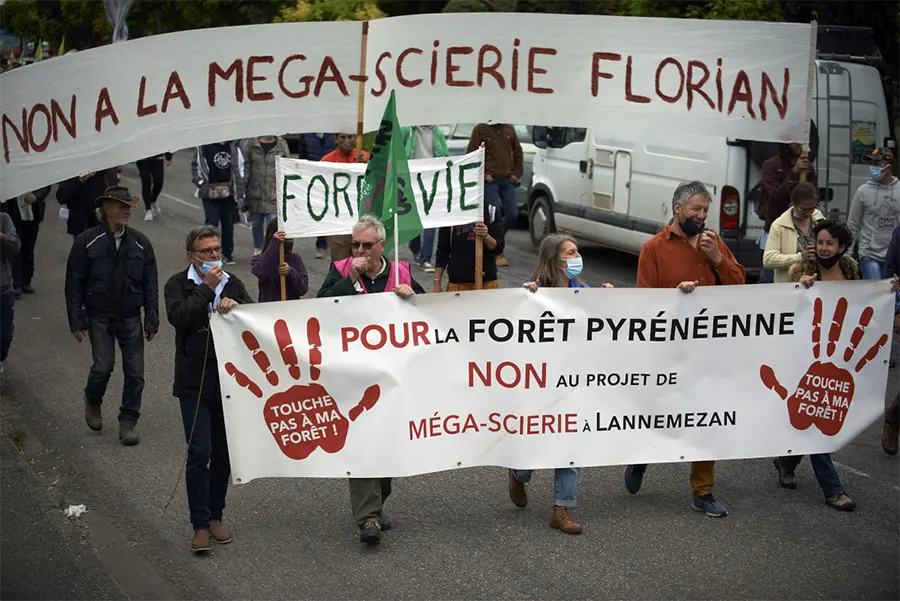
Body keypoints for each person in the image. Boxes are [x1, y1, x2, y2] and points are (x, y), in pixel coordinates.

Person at [624, 181, 745, 517]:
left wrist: (718, 259)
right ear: (678, 209)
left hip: (707, 347)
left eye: (705, 210)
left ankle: (703, 491)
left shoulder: (713, 243)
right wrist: (675, 298)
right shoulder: (654, 248)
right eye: (696, 210)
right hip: (668, 347)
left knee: (703, 415)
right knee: (658, 411)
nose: (702, 216)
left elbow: (739, 288)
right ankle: (640, 457)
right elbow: (644, 302)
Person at [318, 215, 424, 545]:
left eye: (366, 245)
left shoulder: (401, 272)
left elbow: (432, 314)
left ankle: (377, 503)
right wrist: (349, 281)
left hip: (393, 376)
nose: (360, 250)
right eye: (355, 245)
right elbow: (319, 307)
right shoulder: (340, 269)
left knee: (388, 446)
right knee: (363, 442)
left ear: (381, 245)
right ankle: (368, 519)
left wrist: (412, 296)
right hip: (355, 374)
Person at [513, 234, 612, 534]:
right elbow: (511, 316)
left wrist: (609, 299)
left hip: (574, 382)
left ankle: (562, 508)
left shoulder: (583, 291)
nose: (577, 255)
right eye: (570, 252)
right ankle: (518, 473)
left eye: (577, 250)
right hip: (540, 384)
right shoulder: (533, 291)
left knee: (570, 443)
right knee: (536, 440)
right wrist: (526, 296)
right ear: (554, 259)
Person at [164, 225, 253, 553]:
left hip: (228, 383)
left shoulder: (235, 283)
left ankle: (216, 515)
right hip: (193, 383)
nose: (215, 256)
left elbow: (254, 322)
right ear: (192, 256)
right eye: (207, 252)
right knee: (199, 452)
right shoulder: (177, 284)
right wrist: (206, 289)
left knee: (224, 454)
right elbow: (180, 318)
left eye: (217, 250)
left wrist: (237, 309)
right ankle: (199, 524)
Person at [773, 219, 860, 511]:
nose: (823, 248)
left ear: (842, 247)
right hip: (805, 358)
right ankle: (833, 490)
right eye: (819, 242)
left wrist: (889, 290)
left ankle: (785, 461)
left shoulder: (851, 272)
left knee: (811, 416)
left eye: (829, 243)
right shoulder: (802, 272)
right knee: (818, 422)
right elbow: (786, 309)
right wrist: (800, 290)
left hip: (837, 360)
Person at [64, 186, 158, 446]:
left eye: (129, 207)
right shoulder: (86, 241)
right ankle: (93, 400)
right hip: (99, 317)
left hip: (130, 316)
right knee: (103, 367)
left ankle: (128, 421)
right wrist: (75, 319)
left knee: (136, 372)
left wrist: (152, 319)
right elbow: (74, 283)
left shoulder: (141, 242)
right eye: (121, 206)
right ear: (107, 209)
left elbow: (151, 283)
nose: (127, 211)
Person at [758, 143, 818, 283]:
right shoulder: (770, 165)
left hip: (803, 232)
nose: (798, 144)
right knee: (769, 280)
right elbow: (776, 197)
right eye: (794, 141)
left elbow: (814, 196)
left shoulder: (808, 168)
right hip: (776, 229)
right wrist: (794, 173)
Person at [467, 123, 523, 268]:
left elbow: (518, 151)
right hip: (490, 181)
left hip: (507, 180)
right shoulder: (480, 129)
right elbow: (472, 154)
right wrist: (483, 174)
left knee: (512, 214)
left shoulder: (508, 128)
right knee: (494, 213)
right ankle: (496, 251)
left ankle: (495, 242)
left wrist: (516, 174)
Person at [402, 125, 450, 272]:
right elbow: (396, 152)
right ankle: (415, 248)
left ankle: (426, 259)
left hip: (432, 182)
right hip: (411, 181)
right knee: (414, 219)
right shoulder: (407, 130)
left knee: (431, 220)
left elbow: (446, 156)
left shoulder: (438, 133)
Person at [847, 148, 900, 281]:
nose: (873, 167)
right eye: (872, 163)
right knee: (876, 292)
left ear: (888, 167)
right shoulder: (863, 191)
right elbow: (853, 224)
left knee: (892, 295)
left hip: (894, 255)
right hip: (869, 254)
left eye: (877, 164)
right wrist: (847, 255)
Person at [192, 141, 245, 266]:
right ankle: (208, 252)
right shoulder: (204, 147)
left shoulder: (233, 147)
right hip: (209, 192)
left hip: (229, 193)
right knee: (212, 221)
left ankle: (227, 254)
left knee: (228, 224)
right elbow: (196, 167)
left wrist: (239, 188)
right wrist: (201, 185)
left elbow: (241, 167)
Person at [763, 182, 825, 283]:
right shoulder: (779, 225)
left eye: (812, 208)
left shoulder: (819, 218)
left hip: (818, 285)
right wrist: (799, 257)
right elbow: (768, 260)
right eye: (804, 209)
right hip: (789, 287)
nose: (809, 213)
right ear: (794, 205)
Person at [433, 204, 504, 292]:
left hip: (487, 281)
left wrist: (486, 236)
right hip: (458, 282)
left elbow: (498, 248)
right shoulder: (450, 212)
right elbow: (442, 250)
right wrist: (437, 283)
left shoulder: (490, 210)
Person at [321, 133, 369, 263]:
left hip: (361, 219)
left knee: (363, 262)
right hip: (338, 220)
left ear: (356, 138)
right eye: (342, 137)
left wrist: (366, 166)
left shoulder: (365, 157)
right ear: (336, 139)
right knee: (340, 264)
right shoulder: (327, 161)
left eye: (350, 137)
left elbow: (376, 183)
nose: (347, 141)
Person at [242, 135, 290, 255]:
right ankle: (258, 248)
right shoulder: (251, 144)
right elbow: (245, 166)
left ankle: (270, 250)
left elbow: (287, 166)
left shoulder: (282, 145)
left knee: (272, 224)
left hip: (273, 193)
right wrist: (243, 187)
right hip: (256, 193)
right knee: (256, 225)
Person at [2, 185, 50, 296]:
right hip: (13, 215)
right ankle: (15, 283)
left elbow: (46, 186)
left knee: (28, 249)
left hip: (32, 216)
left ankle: (26, 281)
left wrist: (36, 195)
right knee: (15, 250)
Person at [297, 133, 337, 259]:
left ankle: (331, 244)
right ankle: (321, 243)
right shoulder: (306, 135)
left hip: (332, 177)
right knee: (319, 211)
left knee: (332, 210)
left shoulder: (333, 134)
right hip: (314, 179)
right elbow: (302, 156)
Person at [250, 219, 309, 302]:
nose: (288, 241)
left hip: (290, 308)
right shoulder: (258, 259)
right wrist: (275, 244)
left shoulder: (295, 259)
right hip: (269, 309)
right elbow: (261, 272)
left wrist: (290, 272)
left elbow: (303, 288)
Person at [56, 169, 119, 238]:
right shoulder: (72, 172)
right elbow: (61, 197)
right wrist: (80, 180)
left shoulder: (108, 172)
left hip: (105, 227)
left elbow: (116, 199)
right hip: (82, 228)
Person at [0, 211, 21, 382]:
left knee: (3, 335)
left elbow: (15, 245)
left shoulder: (4, 218)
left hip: (3, 289)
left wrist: (1, 237)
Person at [137, 152, 173, 222]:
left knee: (159, 182)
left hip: (157, 156)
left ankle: (153, 200)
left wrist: (169, 157)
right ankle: (148, 209)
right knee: (146, 182)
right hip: (142, 157)